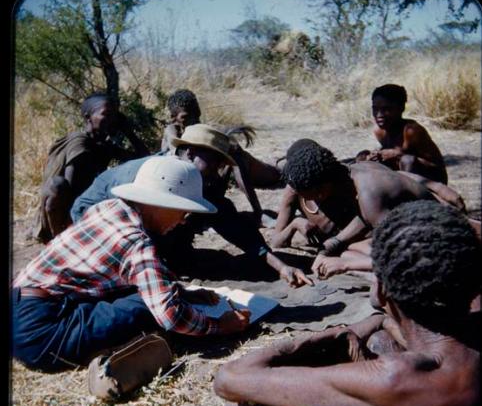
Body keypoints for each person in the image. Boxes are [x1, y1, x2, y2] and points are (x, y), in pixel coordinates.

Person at [86, 200, 480, 406]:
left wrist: (331, 336)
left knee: (254, 403)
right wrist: (370, 330)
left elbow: (232, 380)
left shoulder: (401, 379)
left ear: (379, 293)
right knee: (380, 339)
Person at [12, 158, 250, 373]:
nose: (182, 221)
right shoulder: (136, 244)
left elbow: (127, 276)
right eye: (182, 211)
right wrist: (220, 326)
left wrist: (182, 292)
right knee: (146, 308)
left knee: (141, 296)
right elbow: (171, 316)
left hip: (21, 305)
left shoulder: (108, 208)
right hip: (42, 335)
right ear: (162, 203)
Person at [72, 124, 312, 288]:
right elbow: (127, 230)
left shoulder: (197, 180)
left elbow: (235, 227)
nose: (218, 169)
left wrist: (281, 267)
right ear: (189, 152)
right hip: (94, 222)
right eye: (214, 160)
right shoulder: (143, 178)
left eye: (220, 162)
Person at [272, 139, 455, 280]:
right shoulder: (355, 173)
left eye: (310, 196)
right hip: (425, 234)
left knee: (357, 257)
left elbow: (403, 257)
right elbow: (366, 217)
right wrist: (335, 243)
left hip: (444, 246)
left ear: (321, 192)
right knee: (350, 249)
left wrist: (345, 264)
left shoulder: (370, 193)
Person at [33, 92, 150, 244]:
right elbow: (70, 188)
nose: (111, 120)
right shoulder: (79, 142)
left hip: (84, 205)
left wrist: (129, 132)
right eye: (106, 114)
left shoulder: (103, 145)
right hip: (64, 213)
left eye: (115, 116)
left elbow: (144, 158)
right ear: (88, 117)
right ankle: (59, 241)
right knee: (59, 185)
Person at [160, 89, 281, 227]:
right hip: (181, 192)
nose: (194, 121)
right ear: (173, 117)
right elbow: (171, 154)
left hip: (209, 190)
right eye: (186, 117)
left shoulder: (200, 134)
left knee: (237, 157)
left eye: (196, 116)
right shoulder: (172, 133)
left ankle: (258, 213)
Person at [356, 84, 448, 184]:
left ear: (401, 108)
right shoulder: (379, 131)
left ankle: (411, 198)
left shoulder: (411, 131)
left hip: (432, 179)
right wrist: (376, 155)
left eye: (386, 109)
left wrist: (397, 155)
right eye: (375, 109)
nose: (379, 115)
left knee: (408, 160)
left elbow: (436, 167)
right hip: (404, 176)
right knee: (363, 156)